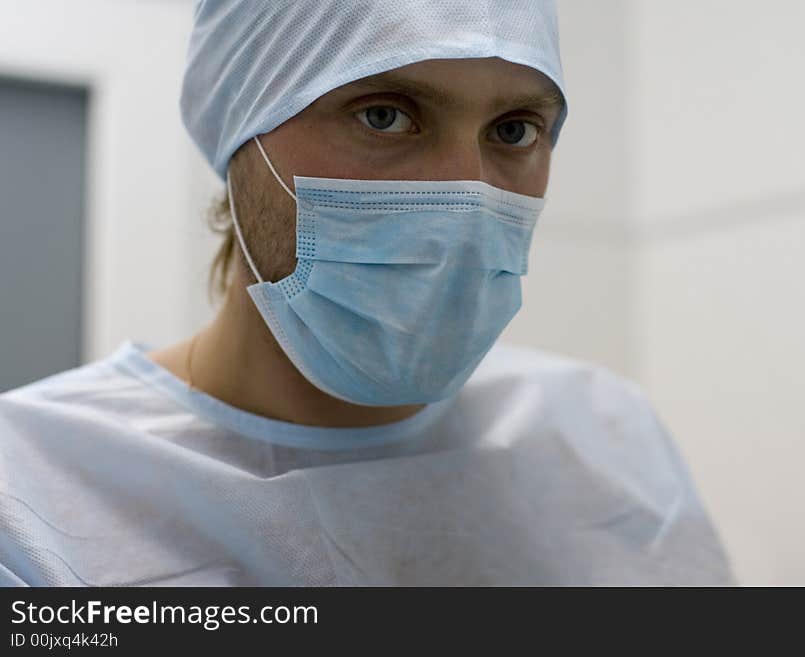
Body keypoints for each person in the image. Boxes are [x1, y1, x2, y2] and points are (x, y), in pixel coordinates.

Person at [0, 0, 735, 586]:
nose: (465, 196)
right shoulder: (31, 496)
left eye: (513, 129)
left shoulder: (609, 436)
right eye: (384, 113)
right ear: (241, 133)